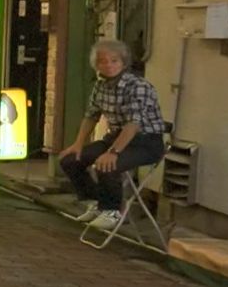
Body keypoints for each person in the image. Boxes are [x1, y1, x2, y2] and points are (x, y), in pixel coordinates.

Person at [56, 38, 168, 234]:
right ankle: (95, 203)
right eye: (102, 61)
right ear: (96, 64)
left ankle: (112, 211)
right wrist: (78, 144)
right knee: (70, 160)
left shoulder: (138, 86)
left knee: (106, 164)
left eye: (114, 60)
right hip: (115, 136)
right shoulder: (100, 85)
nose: (108, 65)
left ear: (123, 62)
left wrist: (114, 152)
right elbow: (91, 115)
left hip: (145, 141)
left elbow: (133, 124)